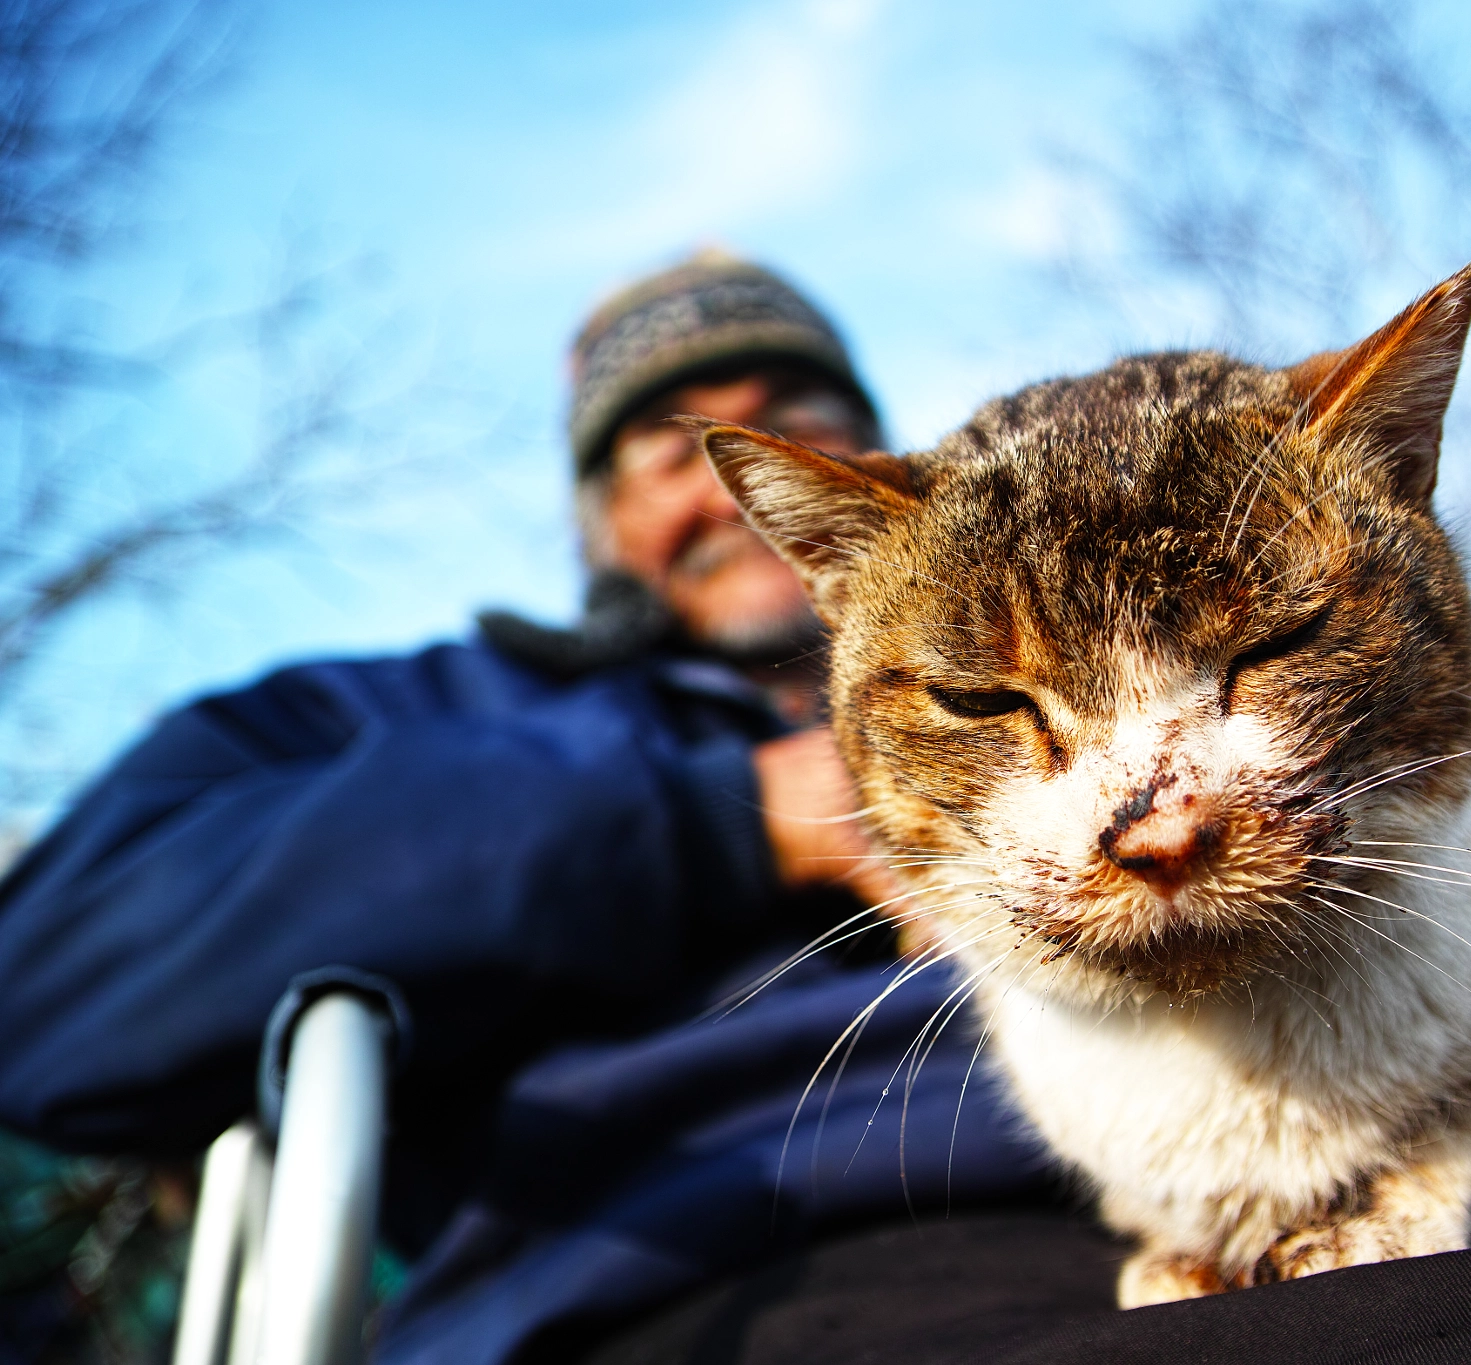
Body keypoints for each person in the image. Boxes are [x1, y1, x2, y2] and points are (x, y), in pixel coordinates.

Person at [0, 251, 1052, 1365]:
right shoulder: (426, 711)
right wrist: (719, 820)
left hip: (1170, 1180)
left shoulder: (1076, 671)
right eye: (671, 452)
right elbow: (46, 986)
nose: (728, 491)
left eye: (800, 416)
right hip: (715, 1267)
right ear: (597, 519)